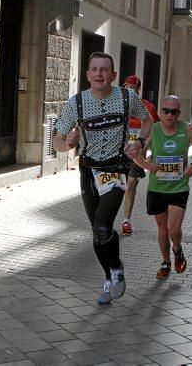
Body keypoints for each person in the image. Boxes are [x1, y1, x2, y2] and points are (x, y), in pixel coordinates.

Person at [53, 52, 153, 304]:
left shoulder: (127, 96)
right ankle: (110, 277)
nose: (99, 74)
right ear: (87, 75)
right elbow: (57, 140)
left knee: (102, 226)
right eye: (94, 69)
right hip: (88, 171)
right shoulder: (75, 103)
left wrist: (140, 142)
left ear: (113, 75)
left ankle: (116, 267)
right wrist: (68, 143)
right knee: (97, 232)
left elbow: (148, 120)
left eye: (104, 70)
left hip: (116, 168)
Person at [134, 95, 192, 279]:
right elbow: (137, 155)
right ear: (160, 112)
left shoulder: (187, 129)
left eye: (173, 112)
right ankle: (166, 262)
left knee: (173, 229)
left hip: (179, 188)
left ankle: (177, 249)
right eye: (166, 111)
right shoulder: (154, 129)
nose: (169, 115)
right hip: (157, 188)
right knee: (163, 229)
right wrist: (147, 165)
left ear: (179, 113)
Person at [121, 75, 160, 237]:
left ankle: (126, 221)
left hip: (137, 152)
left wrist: (144, 146)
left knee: (130, 186)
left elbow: (155, 129)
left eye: (132, 88)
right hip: (119, 152)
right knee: (114, 188)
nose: (129, 90)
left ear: (138, 89)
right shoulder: (118, 105)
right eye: (126, 87)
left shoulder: (148, 107)